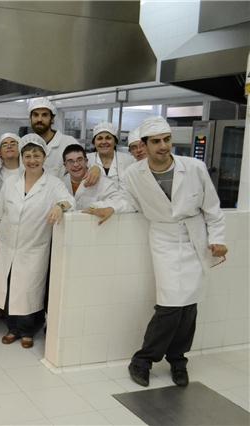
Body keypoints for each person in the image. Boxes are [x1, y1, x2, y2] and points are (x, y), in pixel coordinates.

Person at [89, 116, 227, 388]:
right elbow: (127, 199)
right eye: (156, 142)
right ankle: (143, 360)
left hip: (195, 238)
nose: (163, 146)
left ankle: (178, 360)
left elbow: (213, 208)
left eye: (167, 140)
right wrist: (111, 208)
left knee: (189, 307)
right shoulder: (134, 174)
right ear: (145, 145)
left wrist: (218, 239)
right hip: (164, 239)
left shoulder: (195, 167)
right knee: (169, 306)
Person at [0, 134, 74, 348]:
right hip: (6, 245)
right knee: (8, 288)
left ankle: (28, 331)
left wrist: (59, 207)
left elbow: (68, 200)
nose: (32, 160)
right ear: (22, 158)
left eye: (36, 155)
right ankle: (13, 328)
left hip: (33, 248)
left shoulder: (53, 183)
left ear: (44, 157)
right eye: (27, 156)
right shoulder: (11, 182)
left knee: (29, 291)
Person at [61, 144, 134, 221]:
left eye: (79, 160)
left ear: (86, 161)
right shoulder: (61, 183)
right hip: (68, 227)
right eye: (70, 161)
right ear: (65, 165)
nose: (76, 164)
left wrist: (94, 206)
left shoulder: (103, 182)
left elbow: (121, 201)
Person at [27, 98, 80, 179]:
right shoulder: (25, 143)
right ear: (30, 118)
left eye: (44, 115)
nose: (39, 119)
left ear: (52, 119)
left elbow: (84, 167)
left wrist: (95, 168)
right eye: (35, 115)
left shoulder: (68, 142)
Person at [86, 122, 135, 189]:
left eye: (108, 138)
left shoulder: (129, 160)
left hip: (122, 199)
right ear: (94, 143)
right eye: (99, 138)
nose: (104, 142)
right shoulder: (86, 160)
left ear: (115, 142)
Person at [0, 133, 23, 199]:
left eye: (13, 144)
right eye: (4, 145)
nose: (9, 146)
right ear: (0, 152)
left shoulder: (28, 171)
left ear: (20, 149)